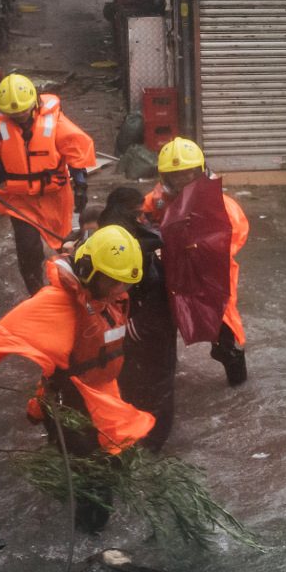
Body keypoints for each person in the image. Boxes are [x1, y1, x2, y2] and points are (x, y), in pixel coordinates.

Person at [0, 225, 153, 533]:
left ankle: (72, 490)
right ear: (88, 271)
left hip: (102, 393)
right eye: (112, 281)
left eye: (123, 283)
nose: (118, 289)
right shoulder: (58, 302)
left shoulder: (112, 297)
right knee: (94, 476)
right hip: (70, 402)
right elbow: (5, 334)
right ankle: (89, 539)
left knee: (111, 457)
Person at [141, 138, 250, 386]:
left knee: (225, 345)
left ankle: (239, 386)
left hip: (210, 280)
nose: (181, 180)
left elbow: (233, 238)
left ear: (199, 171)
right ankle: (167, 384)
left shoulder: (221, 205)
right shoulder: (153, 203)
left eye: (187, 174)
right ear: (164, 176)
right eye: (175, 175)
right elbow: (139, 228)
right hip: (169, 278)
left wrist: (194, 250)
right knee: (160, 338)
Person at [0, 72, 97, 294]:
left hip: (54, 196)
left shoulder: (56, 123)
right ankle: (36, 290)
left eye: (24, 112)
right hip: (21, 199)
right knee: (28, 248)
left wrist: (81, 185)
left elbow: (75, 153)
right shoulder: (1, 129)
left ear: (34, 104)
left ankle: (75, 286)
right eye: (14, 114)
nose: (20, 117)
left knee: (64, 244)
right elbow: (3, 165)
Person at [96, 185, 176, 447]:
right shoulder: (113, 243)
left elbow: (161, 306)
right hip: (128, 328)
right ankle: (136, 439)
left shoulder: (145, 251)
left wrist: (130, 329)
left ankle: (153, 445)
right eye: (140, 213)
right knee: (131, 386)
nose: (145, 217)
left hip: (148, 328)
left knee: (156, 387)